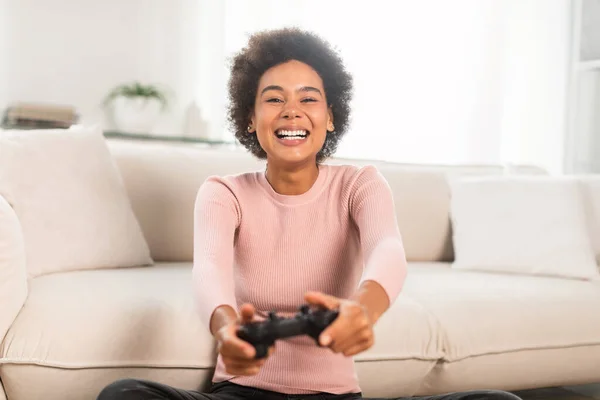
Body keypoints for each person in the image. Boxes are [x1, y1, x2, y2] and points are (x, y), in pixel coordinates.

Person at [96, 27, 522, 400]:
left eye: (309, 98)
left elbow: (387, 249)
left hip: (335, 396)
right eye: (273, 98)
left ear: (330, 117)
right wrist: (226, 331)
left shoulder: (362, 185)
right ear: (250, 118)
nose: (291, 110)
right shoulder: (223, 192)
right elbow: (208, 271)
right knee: (124, 395)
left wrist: (364, 310)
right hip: (241, 394)